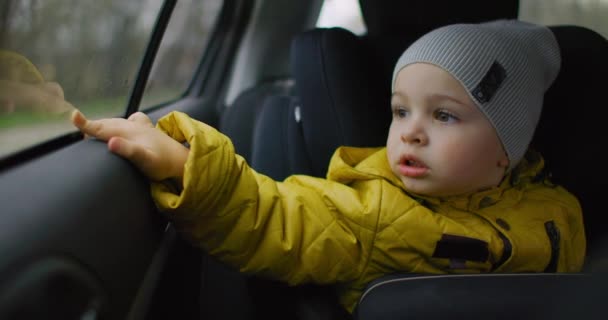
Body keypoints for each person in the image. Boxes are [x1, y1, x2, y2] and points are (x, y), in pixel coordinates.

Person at [71, 20, 585, 313]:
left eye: (444, 115)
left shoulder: (555, 205)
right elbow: (275, 216)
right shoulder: (371, 212)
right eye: (400, 110)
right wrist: (185, 164)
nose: (410, 131)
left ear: (507, 147)